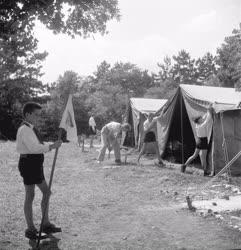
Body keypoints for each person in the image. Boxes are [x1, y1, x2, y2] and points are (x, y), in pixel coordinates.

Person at [16, 102, 62, 240]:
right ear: (28, 114)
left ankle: (46, 224)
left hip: (34, 164)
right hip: (29, 163)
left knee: (46, 192)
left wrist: (49, 145)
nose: (38, 118)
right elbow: (33, 148)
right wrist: (52, 146)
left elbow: (38, 145)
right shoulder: (25, 129)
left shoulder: (31, 128)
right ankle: (30, 229)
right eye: (36, 115)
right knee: (30, 195)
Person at [181, 105, 214, 176]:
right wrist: (209, 110)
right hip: (203, 141)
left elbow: (205, 117)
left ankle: (184, 166)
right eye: (201, 118)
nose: (203, 118)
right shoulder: (202, 125)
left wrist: (207, 110)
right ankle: (205, 172)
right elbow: (208, 119)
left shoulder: (197, 125)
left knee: (194, 155)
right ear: (199, 120)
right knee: (204, 157)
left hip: (199, 141)